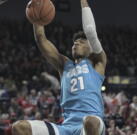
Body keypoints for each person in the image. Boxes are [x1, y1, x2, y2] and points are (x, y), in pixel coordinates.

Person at [12, 0, 107, 135]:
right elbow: (41, 38)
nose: (76, 43)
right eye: (75, 42)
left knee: (90, 121)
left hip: (92, 123)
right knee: (19, 127)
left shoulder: (98, 63)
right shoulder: (64, 65)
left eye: (81, 41)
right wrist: (37, 12)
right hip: (66, 127)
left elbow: (91, 31)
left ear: (91, 47)